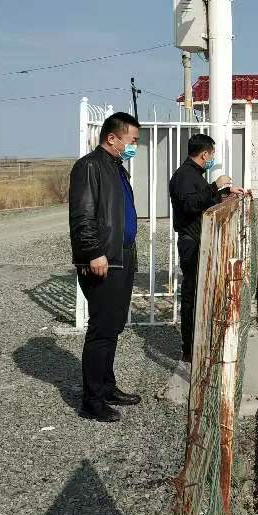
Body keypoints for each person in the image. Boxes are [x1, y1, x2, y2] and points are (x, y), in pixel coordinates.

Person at [69, 111, 142, 422]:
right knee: (101, 330)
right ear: (112, 138)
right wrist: (93, 252)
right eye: (132, 140)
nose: (134, 146)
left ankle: (107, 386)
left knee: (113, 327)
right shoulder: (89, 166)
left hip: (122, 256)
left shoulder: (116, 167)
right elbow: (82, 216)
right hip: (103, 260)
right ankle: (92, 401)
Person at [169, 133, 242, 361]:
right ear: (205, 154)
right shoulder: (184, 176)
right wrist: (214, 186)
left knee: (203, 294)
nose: (212, 158)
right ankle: (190, 349)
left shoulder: (195, 175)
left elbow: (203, 200)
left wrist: (225, 193)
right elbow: (191, 204)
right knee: (192, 295)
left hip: (200, 240)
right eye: (211, 154)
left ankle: (201, 342)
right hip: (191, 243)